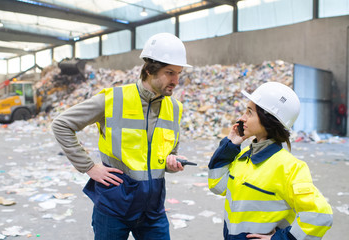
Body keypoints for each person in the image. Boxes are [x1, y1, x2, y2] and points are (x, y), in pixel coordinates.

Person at [52, 32, 192, 240]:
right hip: (113, 207)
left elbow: (169, 153)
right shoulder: (113, 99)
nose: (176, 80)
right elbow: (62, 124)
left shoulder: (174, 107)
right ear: (149, 70)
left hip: (152, 211)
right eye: (169, 72)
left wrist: (172, 163)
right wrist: (89, 167)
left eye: (179, 73)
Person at [208, 82, 333, 240]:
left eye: (249, 112)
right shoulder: (244, 156)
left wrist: (280, 239)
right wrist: (229, 146)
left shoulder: (290, 168)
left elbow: (319, 215)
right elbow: (217, 185)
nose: (241, 118)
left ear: (269, 119)